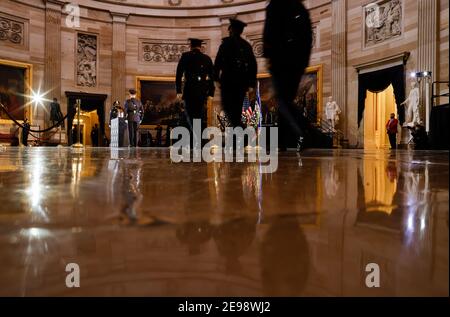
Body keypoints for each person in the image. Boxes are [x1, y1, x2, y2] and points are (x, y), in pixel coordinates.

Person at [263, 0, 313, 152]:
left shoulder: (275, 5)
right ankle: (282, 141)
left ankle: (304, 132)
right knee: (286, 100)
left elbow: (269, 32)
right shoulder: (300, 8)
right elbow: (308, 37)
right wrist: (304, 62)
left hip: (281, 59)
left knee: (282, 100)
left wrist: (269, 57)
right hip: (297, 62)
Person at [214, 18, 257, 128]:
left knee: (228, 108)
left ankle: (239, 131)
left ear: (231, 30)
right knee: (236, 110)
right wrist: (251, 84)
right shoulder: (246, 45)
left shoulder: (226, 43)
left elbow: (218, 62)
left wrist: (216, 78)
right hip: (241, 83)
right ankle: (239, 133)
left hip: (227, 81)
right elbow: (253, 65)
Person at [176, 38, 215, 147]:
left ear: (190, 46)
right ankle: (200, 141)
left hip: (189, 90)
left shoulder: (185, 56)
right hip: (202, 91)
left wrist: (179, 90)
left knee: (190, 115)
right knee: (199, 116)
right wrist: (211, 93)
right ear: (200, 46)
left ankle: (195, 141)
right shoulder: (206, 58)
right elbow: (212, 77)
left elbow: (179, 74)